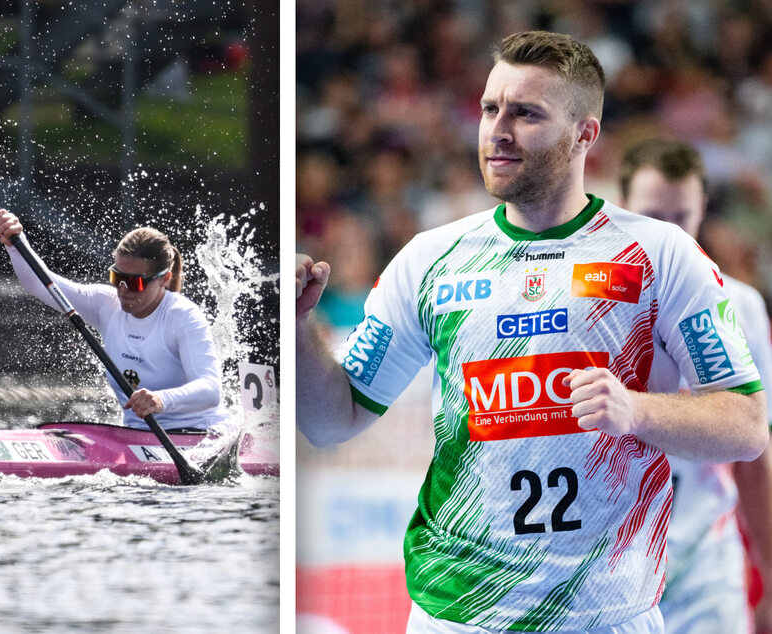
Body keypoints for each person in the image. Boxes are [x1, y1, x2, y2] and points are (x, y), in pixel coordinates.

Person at [296, 30, 768, 633]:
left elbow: (747, 427)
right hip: (457, 613)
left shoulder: (662, 254)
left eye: (526, 114)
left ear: (584, 134)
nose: (498, 129)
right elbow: (332, 419)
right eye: (491, 108)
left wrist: (636, 411)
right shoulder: (430, 259)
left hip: (608, 614)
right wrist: (301, 325)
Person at [619, 138, 772, 634]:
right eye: (651, 216)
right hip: (611, 575)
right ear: (620, 209)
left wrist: (771, 572)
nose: (668, 233)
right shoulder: (594, 305)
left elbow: (756, 456)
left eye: (680, 216)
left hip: (705, 567)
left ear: (703, 207)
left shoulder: (741, 306)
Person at [0, 209, 229, 432]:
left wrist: (160, 400)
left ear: (164, 279)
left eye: (135, 282)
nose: (123, 290)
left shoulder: (183, 317)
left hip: (198, 435)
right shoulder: (105, 304)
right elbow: (42, 284)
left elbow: (210, 389)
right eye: (117, 277)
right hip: (137, 435)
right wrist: (16, 243)